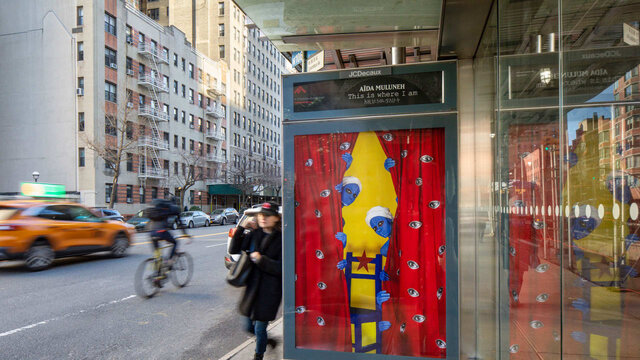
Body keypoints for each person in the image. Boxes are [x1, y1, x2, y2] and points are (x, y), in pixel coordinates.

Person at [229, 201, 282, 360]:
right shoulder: (254, 234)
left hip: (270, 290)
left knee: (260, 328)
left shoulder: (281, 239)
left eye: (267, 215)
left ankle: (258, 355)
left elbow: (281, 268)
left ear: (276, 218)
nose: (263, 218)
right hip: (252, 287)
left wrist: (261, 260)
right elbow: (234, 250)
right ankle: (270, 341)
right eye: (260, 215)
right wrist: (241, 228)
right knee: (247, 326)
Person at [149, 198, 190, 269]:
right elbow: (180, 224)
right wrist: (186, 235)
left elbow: (166, 223)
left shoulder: (160, 208)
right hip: (161, 231)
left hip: (151, 231)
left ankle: (157, 273)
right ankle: (169, 260)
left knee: (157, 253)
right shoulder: (173, 209)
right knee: (175, 242)